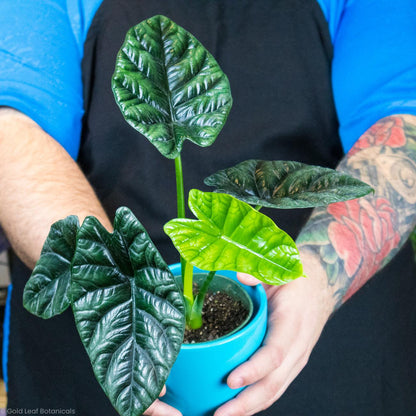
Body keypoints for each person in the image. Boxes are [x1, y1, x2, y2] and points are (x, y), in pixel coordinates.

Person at [0, 0, 416, 415]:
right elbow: (13, 128)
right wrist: (112, 294)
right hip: (101, 350)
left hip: (329, 340)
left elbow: (402, 122)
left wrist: (317, 277)